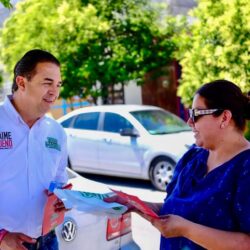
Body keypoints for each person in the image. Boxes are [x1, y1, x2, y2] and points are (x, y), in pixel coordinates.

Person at [105, 79, 250, 249]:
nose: (189, 122)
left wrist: (186, 230)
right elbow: (172, 209)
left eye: (196, 114)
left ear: (224, 117)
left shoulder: (245, 167)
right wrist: (136, 205)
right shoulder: (193, 158)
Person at [0, 49, 68, 250]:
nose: (54, 92)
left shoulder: (57, 132)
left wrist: (63, 199)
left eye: (58, 85)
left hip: (47, 241)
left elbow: (60, 181)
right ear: (21, 83)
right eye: (47, 83)